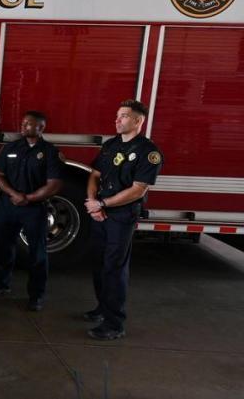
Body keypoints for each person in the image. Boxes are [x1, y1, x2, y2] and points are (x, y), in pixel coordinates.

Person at [83, 99, 162, 340]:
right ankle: (102, 308)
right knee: (98, 262)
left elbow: (138, 189)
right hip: (100, 212)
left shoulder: (149, 153)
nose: (117, 120)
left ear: (138, 121)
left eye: (124, 116)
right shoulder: (111, 145)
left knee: (114, 268)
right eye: (117, 115)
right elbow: (94, 175)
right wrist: (92, 203)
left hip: (121, 215)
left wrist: (103, 204)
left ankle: (114, 323)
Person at [0, 111, 63, 311]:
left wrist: (28, 198)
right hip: (8, 205)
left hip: (34, 209)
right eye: (23, 122)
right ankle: (1, 284)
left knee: (37, 253)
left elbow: (53, 184)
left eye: (29, 124)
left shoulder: (49, 152)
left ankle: (36, 295)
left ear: (41, 128)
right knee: (2, 247)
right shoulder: (11, 148)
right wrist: (13, 194)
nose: (23, 126)